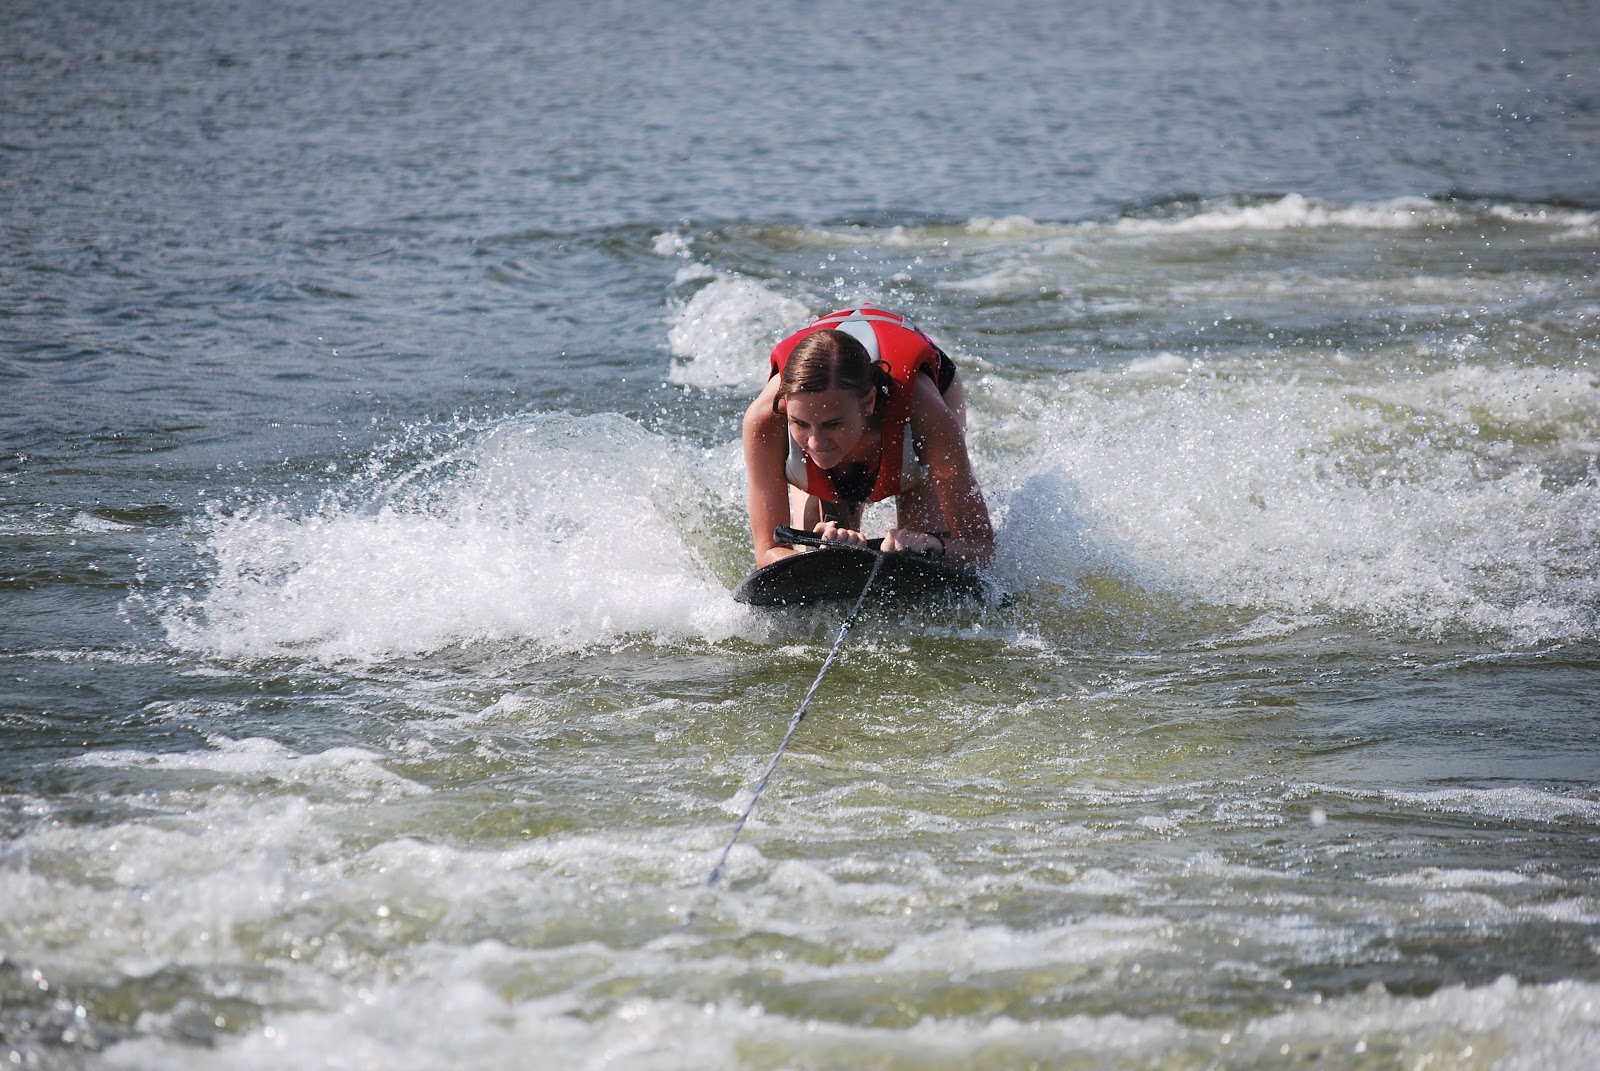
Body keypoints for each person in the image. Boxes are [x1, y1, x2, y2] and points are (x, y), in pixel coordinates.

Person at [742, 307, 994, 570]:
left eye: (833, 423)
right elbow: (768, 554)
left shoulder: (927, 416)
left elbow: (981, 547)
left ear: (870, 402)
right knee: (821, 546)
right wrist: (822, 559)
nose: (815, 443)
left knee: (921, 561)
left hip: (922, 404)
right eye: (800, 423)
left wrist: (933, 546)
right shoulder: (765, 420)